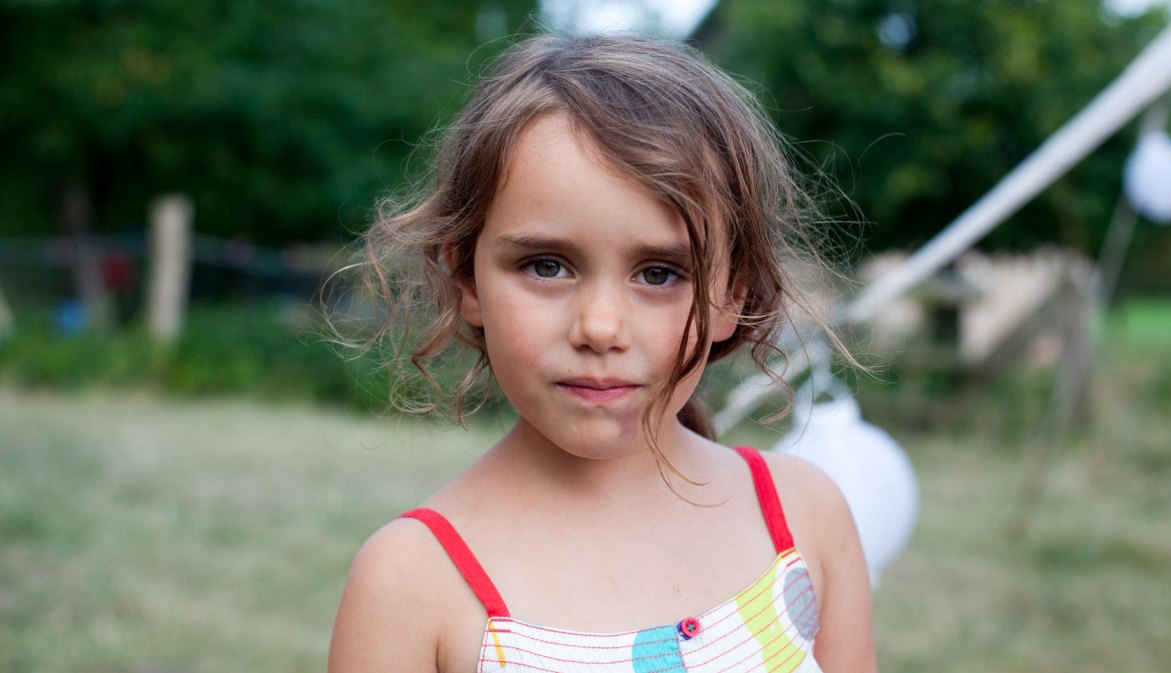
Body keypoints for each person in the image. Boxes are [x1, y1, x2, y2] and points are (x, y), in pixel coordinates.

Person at [328, 33, 877, 673]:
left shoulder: (807, 517)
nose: (600, 327)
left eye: (659, 273)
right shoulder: (412, 582)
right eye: (546, 265)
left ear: (736, 292)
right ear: (466, 279)